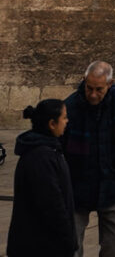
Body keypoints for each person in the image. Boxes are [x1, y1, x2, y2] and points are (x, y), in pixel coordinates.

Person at [63, 61, 115, 257]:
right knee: (72, 243)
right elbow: (61, 146)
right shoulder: (71, 107)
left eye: (99, 89)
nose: (93, 94)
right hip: (78, 185)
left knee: (114, 243)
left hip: (110, 183)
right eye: (89, 88)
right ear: (84, 81)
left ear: (110, 84)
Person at [6, 98, 77, 257]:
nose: (67, 121)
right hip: (39, 246)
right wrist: (67, 239)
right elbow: (52, 204)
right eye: (64, 117)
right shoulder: (41, 157)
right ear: (52, 124)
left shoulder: (50, 150)